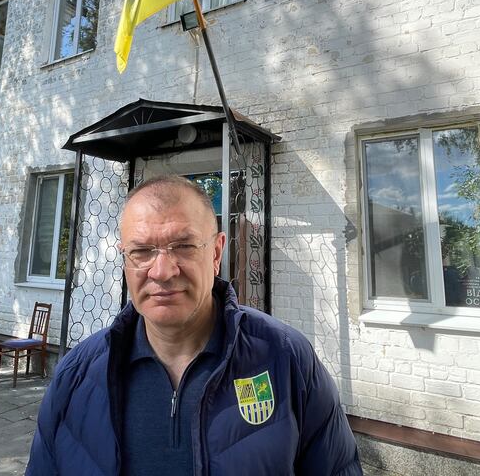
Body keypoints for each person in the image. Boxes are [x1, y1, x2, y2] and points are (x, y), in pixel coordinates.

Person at [27, 175, 362, 475]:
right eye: (142, 251)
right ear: (125, 259)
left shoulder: (286, 359)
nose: (162, 271)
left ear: (216, 253)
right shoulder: (77, 375)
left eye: (184, 246)